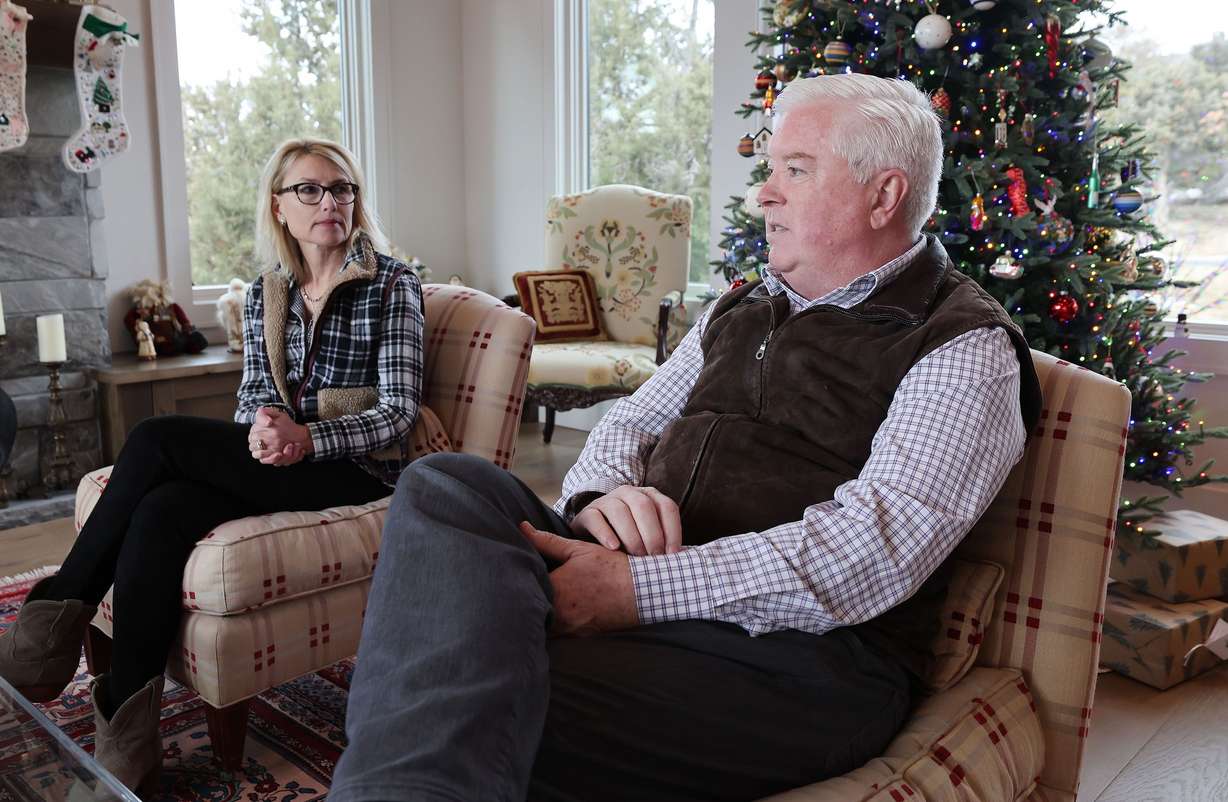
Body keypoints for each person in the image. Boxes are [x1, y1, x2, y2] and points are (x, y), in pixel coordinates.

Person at [329, 74, 1043, 802]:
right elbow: (630, 421)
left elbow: (867, 555)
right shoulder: (745, 305)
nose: (764, 193)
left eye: (796, 170)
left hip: (798, 659)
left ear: (883, 196)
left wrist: (635, 591)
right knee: (446, 483)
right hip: (640, 569)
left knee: (461, 700)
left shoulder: (961, 345)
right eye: (772, 170)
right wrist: (603, 498)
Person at [0, 137, 424, 793]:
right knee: (161, 510)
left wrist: (308, 440)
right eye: (309, 190)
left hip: (357, 466)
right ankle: (128, 742)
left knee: (155, 439)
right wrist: (263, 432)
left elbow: (399, 412)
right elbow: (255, 393)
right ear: (280, 207)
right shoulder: (267, 293)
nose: (329, 202)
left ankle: (51, 622)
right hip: (284, 457)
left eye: (341, 188)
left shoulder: (392, 284)